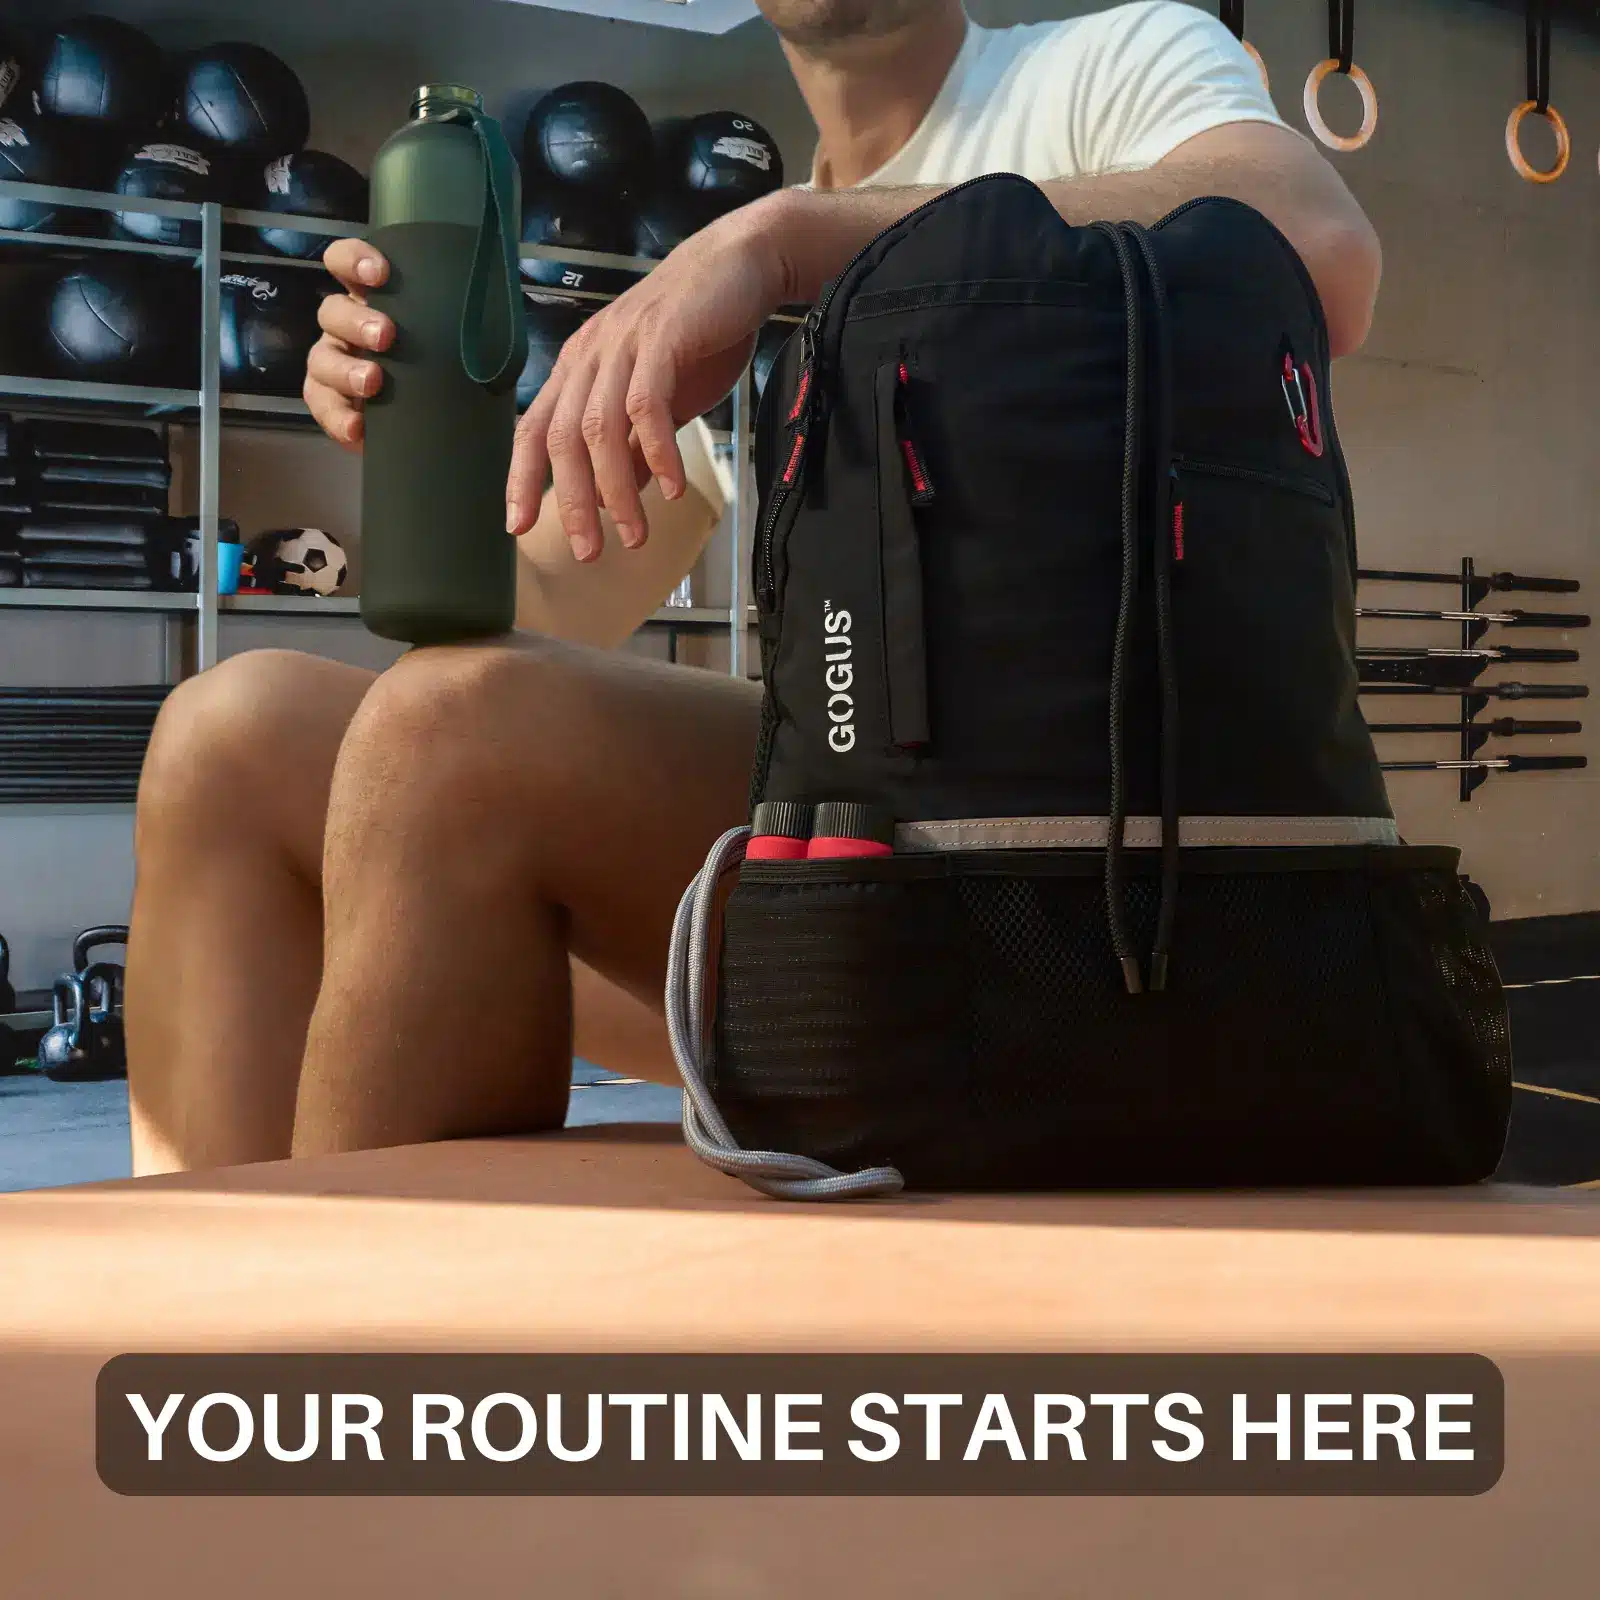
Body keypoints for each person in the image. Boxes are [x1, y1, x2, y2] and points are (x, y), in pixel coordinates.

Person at [126, 0, 1382, 1174]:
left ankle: (353, 1359)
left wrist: (788, 242)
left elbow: (1318, 246)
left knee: (450, 733)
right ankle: (198, 1335)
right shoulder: (720, 278)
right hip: (825, 864)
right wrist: (408, 453)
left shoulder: (1106, 65)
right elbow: (525, 625)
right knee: (231, 733)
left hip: (1082, 884)